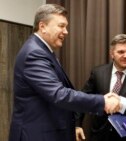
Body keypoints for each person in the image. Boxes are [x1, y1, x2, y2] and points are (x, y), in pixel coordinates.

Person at [8, 4, 119, 141]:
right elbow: (59, 94)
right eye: (61, 26)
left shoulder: (43, 50)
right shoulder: (34, 53)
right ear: (42, 26)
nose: (66, 31)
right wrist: (102, 101)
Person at [75, 34, 126, 141]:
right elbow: (83, 98)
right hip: (99, 135)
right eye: (121, 52)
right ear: (112, 54)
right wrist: (77, 125)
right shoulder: (98, 73)